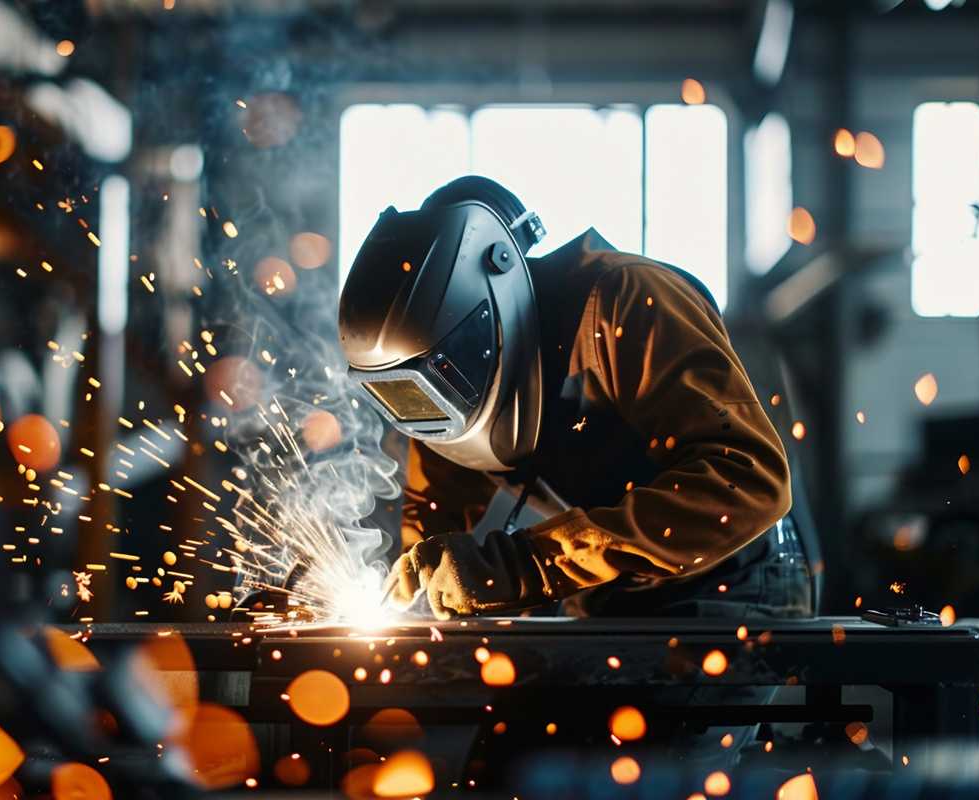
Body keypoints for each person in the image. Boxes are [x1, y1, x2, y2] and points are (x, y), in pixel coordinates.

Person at [338, 176, 811, 621]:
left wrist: (529, 564)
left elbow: (750, 480)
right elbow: (439, 497)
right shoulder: (442, 365)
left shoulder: (627, 301)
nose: (436, 404)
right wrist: (413, 569)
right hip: (603, 590)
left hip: (731, 581)